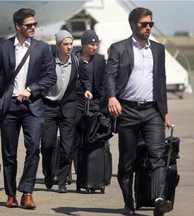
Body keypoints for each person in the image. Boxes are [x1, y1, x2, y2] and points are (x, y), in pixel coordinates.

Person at [0, 8, 56, 209]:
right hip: (9, 106)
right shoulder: (3, 47)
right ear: (18, 26)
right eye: (29, 25)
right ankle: (11, 193)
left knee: (33, 148)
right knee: (9, 153)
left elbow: (50, 76)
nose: (33, 28)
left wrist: (31, 89)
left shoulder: (42, 48)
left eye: (34, 24)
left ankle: (27, 192)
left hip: (33, 107)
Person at [104, 7, 172, 216]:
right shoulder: (119, 48)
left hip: (152, 110)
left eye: (150, 24)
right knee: (127, 160)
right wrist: (112, 96)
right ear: (133, 25)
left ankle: (159, 200)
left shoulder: (158, 49)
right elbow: (110, 76)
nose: (148, 27)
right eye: (144, 24)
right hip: (128, 110)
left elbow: (161, 80)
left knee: (158, 157)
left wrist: (164, 112)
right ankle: (128, 203)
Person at [41, 30, 79, 193]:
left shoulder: (76, 62)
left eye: (71, 44)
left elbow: (84, 80)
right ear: (58, 46)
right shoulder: (48, 62)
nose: (69, 47)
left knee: (67, 147)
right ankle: (49, 172)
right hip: (49, 107)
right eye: (66, 44)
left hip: (68, 109)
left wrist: (87, 90)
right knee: (47, 145)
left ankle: (63, 180)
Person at [73, 30, 107, 172]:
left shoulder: (100, 59)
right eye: (92, 45)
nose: (94, 47)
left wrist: (102, 101)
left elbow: (104, 82)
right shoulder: (75, 58)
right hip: (77, 102)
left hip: (95, 102)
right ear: (84, 45)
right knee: (76, 136)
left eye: (96, 44)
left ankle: (93, 169)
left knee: (95, 135)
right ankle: (76, 168)